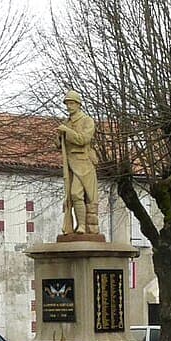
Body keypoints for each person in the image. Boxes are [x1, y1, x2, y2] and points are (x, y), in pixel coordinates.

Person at [58, 90, 99, 234]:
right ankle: (77, 226)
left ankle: (82, 226)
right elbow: (58, 145)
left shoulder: (87, 121)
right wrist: (59, 136)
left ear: (78, 104)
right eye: (67, 104)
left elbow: (83, 139)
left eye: (71, 103)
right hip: (69, 164)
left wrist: (67, 132)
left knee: (76, 193)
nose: (69, 106)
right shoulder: (66, 122)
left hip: (83, 164)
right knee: (70, 198)